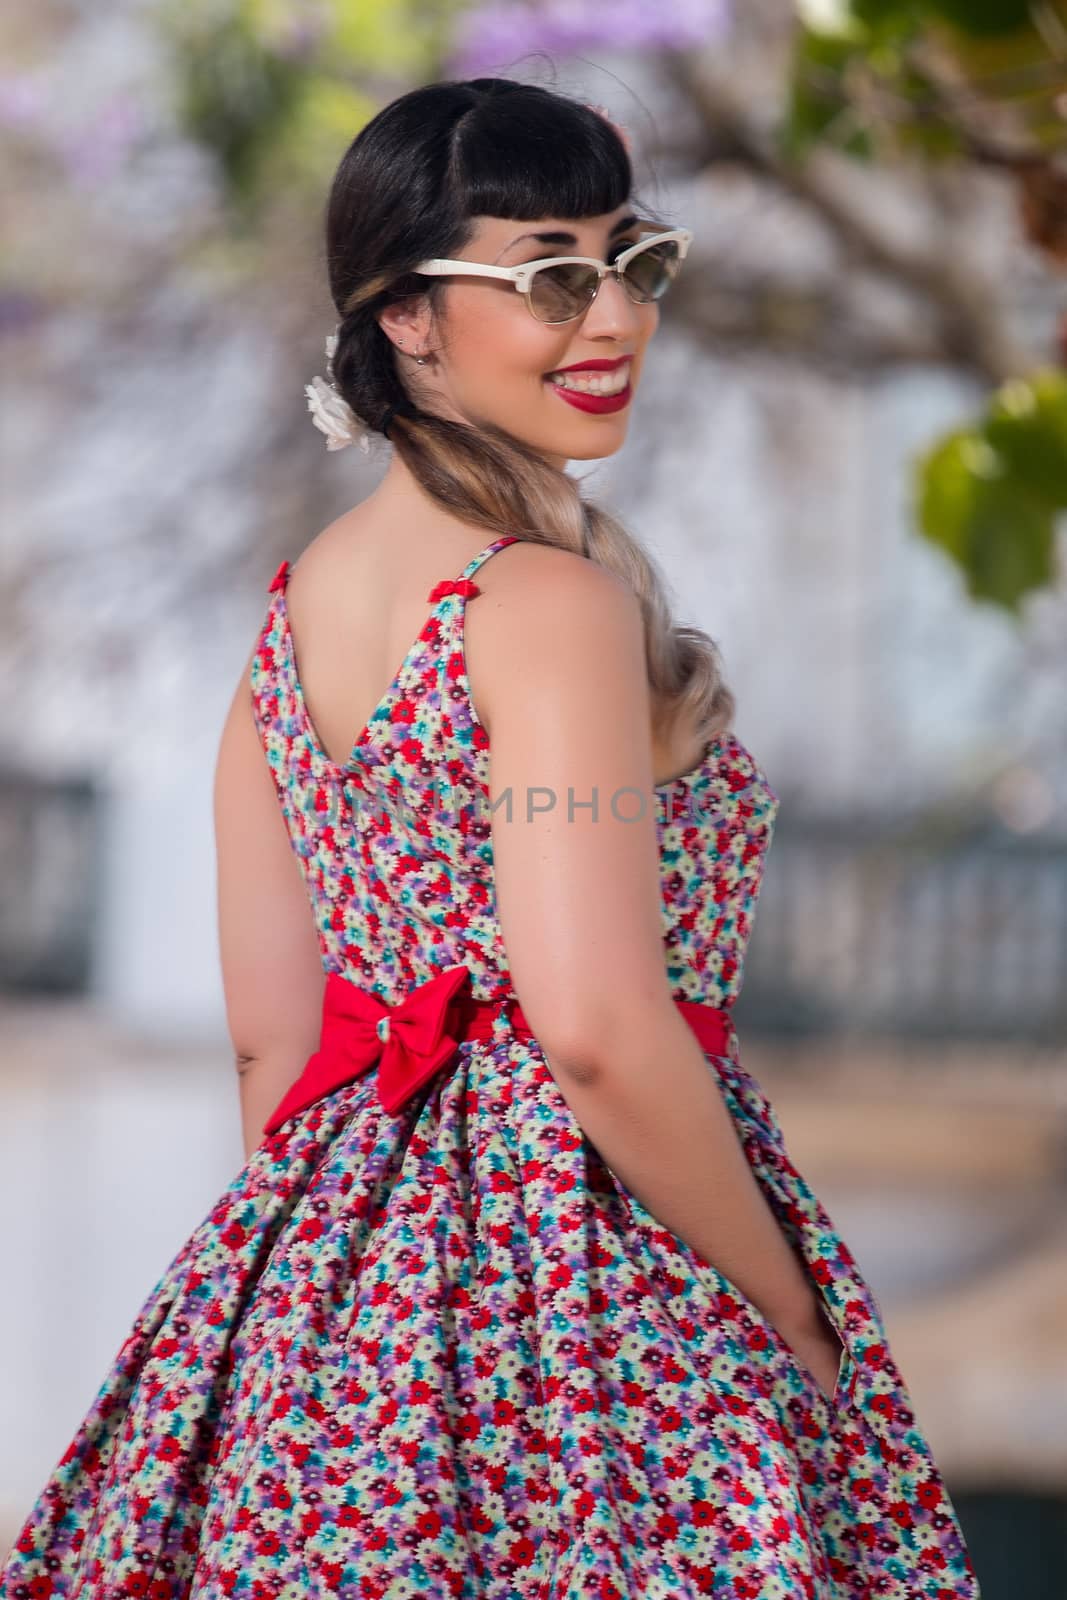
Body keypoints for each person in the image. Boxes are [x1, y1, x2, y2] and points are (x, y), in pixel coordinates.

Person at [1, 77, 981, 1600]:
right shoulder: (546, 608)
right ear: (404, 316)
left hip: (324, 1283)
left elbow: (278, 1048)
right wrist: (796, 1314)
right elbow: (592, 1029)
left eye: (631, 261)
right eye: (550, 277)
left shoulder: (288, 627)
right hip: (594, 1258)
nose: (615, 320)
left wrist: (357, 1311)